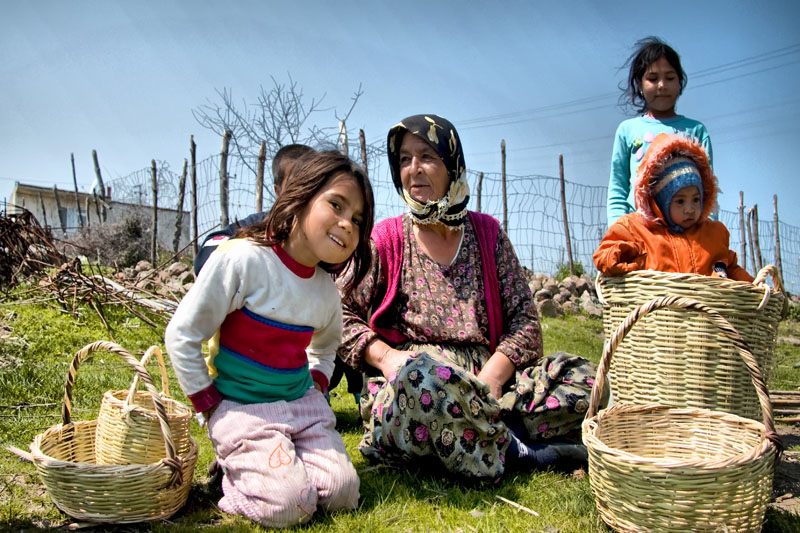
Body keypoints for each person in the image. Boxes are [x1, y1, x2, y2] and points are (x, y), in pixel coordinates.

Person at [336, 114, 602, 482]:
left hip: (494, 382)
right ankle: (519, 452)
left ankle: (481, 435)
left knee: (587, 379)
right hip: (419, 381)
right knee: (423, 386)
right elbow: (338, 313)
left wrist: (492, 376)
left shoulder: (487, 234)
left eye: (427, 156)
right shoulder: (387, 240)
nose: (413, 170)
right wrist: (388, 358)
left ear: (452, 164)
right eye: (404, 160)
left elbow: (525, 321)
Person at [165, 150, 375, 528]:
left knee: (343, 493)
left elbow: (325, 348)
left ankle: (279, 463)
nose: (347, 224)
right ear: (299, 195)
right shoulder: (243, 260)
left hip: (302, 407)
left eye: (357, 219)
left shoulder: (326, 291)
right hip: (245, 410)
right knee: (291, 506)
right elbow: (183, 334)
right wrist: (209, 404)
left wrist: (315, 383)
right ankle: (235, 478)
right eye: (336, 205)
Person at [594, 132, 753, 282]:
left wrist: (755, 287)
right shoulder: (638, 230)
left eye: (696, 200)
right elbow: (605, 255)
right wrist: (628, 261)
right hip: (656, 307)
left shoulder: (713, 235)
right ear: (661, 201)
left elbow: (732, 268)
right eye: (680, 201)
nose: (690, 209)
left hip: (706, 307)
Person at [608, 36, 714, 226]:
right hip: (640, 234)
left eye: (670, 78)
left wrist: (707, 234)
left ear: (680, 82)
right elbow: (618, 188)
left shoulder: (696, 131)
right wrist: (618, 233)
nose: (662, 85)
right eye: (652, 78)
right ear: (640, 85)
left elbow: (708, 189)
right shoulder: (628, 130)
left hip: (687, 234)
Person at [192, 143, 315, 275]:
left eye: (314, 183)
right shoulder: (261, 224)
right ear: (278, 191)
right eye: (296, 185)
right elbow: (206, 259)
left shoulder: (331, 230)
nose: (306, 192)